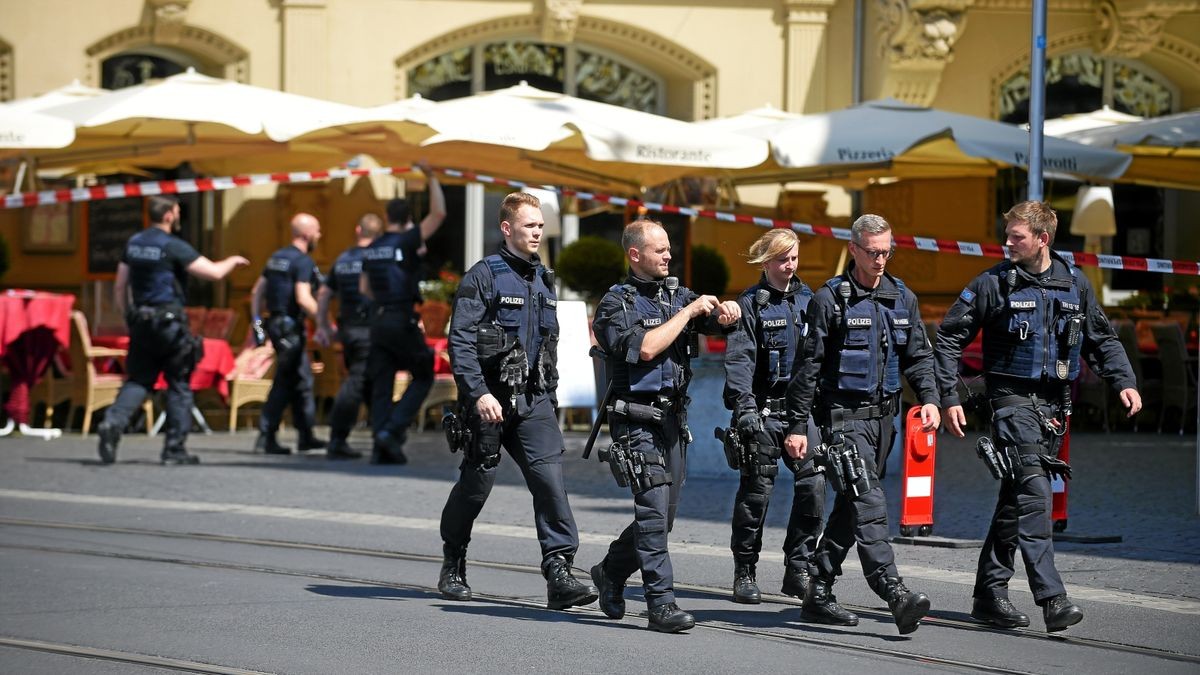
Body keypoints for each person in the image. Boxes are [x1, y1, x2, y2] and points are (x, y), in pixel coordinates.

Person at [936, 201, 1141, 633]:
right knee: (1035, 497)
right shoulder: (993, 284)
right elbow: (949, 337)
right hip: (1010, 402)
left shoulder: (1075, 284)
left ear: (1042, 240)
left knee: (1015, 500)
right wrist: (949, 395)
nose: (1007, 243)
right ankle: (1053, 597)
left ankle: (989, 595)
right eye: (1007, 235)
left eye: (1017, 237)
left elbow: (1101, 340)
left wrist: (1124, 381)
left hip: (1052, 407)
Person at [436, 191, 597, 611]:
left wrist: (551, 396)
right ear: (507, 229)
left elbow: (549, 343)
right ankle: (453, 561)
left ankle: (559, 572)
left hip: (533, 401)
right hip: (487, 401)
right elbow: (461, 342)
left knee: (551, 484)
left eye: (541, 226)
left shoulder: (543, 277)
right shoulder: (483, 276)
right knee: (476, 486)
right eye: (530, 226)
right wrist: (478, 394)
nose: (538, 232)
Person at [785, 214, 938, 635]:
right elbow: (807, 368)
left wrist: (929, 398)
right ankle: (894, 591)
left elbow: (919, 357)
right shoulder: (831, 299)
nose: (880, 259)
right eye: (872, 252)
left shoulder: (900, 297)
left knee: (850, 509)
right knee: (868, 502)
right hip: (842, 422)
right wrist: (798, 426)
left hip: (884, 423)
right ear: (853, 250)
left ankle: (817, 589)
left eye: (886, 250)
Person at [588, 218, 740, 633]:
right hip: (635, 422)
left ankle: (610, 572)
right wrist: (690, 310)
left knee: (664, 516)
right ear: (635, 255)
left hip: (673, 420)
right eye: (660, 250)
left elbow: (714, 322)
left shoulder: (677, 295)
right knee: (653, 513)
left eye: (669, 248)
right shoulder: (615, 303)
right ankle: (661, 604)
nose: (669, 255)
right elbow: (645, 347)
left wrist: (727, 312)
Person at [96, 195, 248, 465]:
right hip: (169, 324)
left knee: (139, 380)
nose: (178, 216)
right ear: (168, 215)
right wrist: (232, 261)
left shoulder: (134, 243)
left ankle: (113, 422)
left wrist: (128, 316)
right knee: (179, 384)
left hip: (141, 322)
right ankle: (174, 449)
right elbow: (213, 273)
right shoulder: (173, 246)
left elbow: (121, 286)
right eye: (177, 211)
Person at [721, 228, 824, 604]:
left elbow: (819, 359)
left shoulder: (811, 300)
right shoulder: (750, 304)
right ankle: (745, 571)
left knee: (813, 487)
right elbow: (739, 360)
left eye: (794, 257)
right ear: (766, 262)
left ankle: (799, 568)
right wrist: (744, 408)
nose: (790, 265)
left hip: (800, 414)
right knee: (756, 495)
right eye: (783, 259)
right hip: (762, 413)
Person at [360, 165, 446, 464]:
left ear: (386, 218)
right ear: (408, 219)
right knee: (423, 374)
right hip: (401, 318)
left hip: (379, 320)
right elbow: (438, 215)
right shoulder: (407, 239)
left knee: (382, 383)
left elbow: (365, 289)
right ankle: (393, 429)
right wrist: (432, 176)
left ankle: (381, 445)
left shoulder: (372, 248)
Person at [251, 212, 326, 455]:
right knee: (285, 381)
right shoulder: (302, 261)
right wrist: (324, 321)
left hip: (276, 324)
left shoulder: (276, 258)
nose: (319, 235)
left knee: (301, 380)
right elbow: (303, 298)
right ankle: (266, 435)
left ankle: (306, 435)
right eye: (317, 230)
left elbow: (256, 292)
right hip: (290, 327)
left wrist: (257, 322)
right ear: (306, 234)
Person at [314, 212, 385, 460]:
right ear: (379, 235)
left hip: (348, 330)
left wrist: (323, 325)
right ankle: (338, 438)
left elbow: (323, 295)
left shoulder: (342, 260)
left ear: (358, 230)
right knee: (357, 382)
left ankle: (381, 436)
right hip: (370, 329)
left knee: (365, 380)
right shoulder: (376, 258)